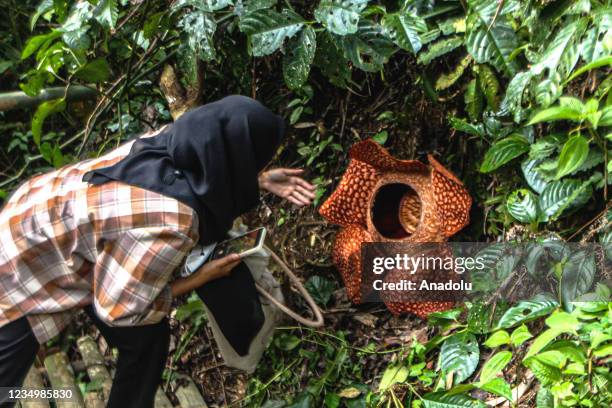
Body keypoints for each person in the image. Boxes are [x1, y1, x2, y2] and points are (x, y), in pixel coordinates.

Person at [0, 95, 315, 407]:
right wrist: (203, 277)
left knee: (147, 341)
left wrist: (257, 179)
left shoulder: (171, 138)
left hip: (35, 214)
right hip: (21, 269)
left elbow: (211, 171)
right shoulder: (173, 221)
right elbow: (120, 312)